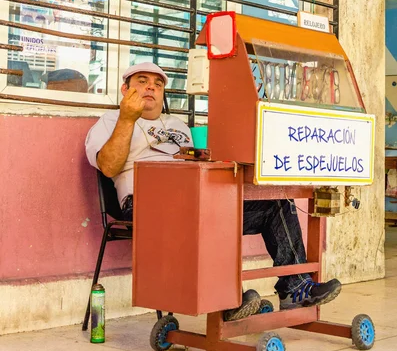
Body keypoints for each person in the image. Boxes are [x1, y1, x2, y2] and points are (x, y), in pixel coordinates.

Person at [85, 62, 341, 321]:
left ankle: (294, 289)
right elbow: (108, 166)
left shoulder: (179, 125)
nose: (151, 86)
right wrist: (128, 118)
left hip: (196, 198)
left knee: (274, 203)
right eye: (142, 80)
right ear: (124, 89)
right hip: (145, 204)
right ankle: (228, 301)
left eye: (158, 83)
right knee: (206, 216)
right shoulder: (108, 122)